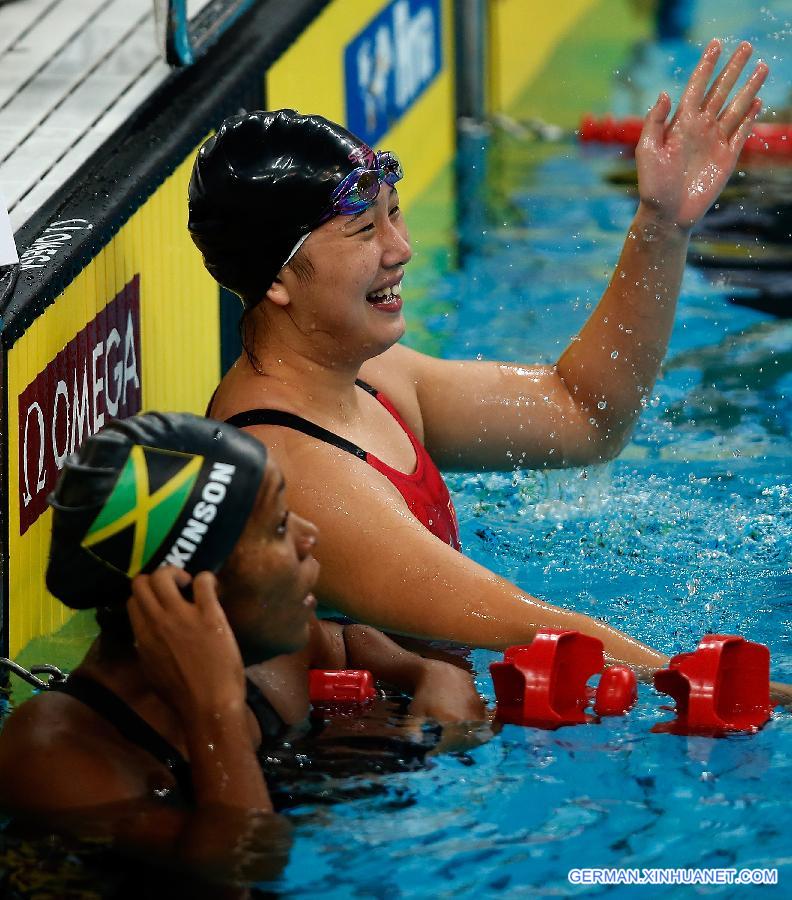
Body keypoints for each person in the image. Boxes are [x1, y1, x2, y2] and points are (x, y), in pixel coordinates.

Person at [190, 41, 792, 702]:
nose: (402, 248)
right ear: (279, 277)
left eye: (395, 214)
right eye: (365, 232)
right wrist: (762, 694)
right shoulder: (298, 471)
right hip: (375, 783)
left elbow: (583, 415)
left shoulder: (369, 378)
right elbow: (529, 629)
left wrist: (663, 225)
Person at [0, 413, 484, 876]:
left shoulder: (270, 658)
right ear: (194, 589)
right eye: (277, 527)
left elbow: (345, 641)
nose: (308, 536)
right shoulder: (56, 760)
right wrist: (216, 709)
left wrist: (430, 672)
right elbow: (247, 866)